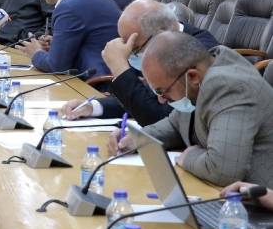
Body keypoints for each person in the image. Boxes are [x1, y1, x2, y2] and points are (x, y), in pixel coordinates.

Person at [109, 32, 273, 187]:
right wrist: (136, 138)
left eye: (162, 91)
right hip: (225, 191)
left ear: (192, 76)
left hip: (257, 200)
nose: (161, 99)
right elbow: (175, 125)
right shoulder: (200, 77)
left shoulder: (229, 87)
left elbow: (223, 170)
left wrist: (188, 156)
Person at [61, 0, 219, 124]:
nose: (130, 55)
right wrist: (93, 107)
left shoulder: (197, 53)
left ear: (160, 35)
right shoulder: (155, 46)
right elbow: (142, 97)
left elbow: (161, 117)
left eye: (134, 48)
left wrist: (120, 68)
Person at [18, 0, 121, 76]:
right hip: (113, 73)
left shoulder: (68, 7)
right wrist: (57, 43)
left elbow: (57, 66)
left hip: (96, 80)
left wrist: (36, 53)